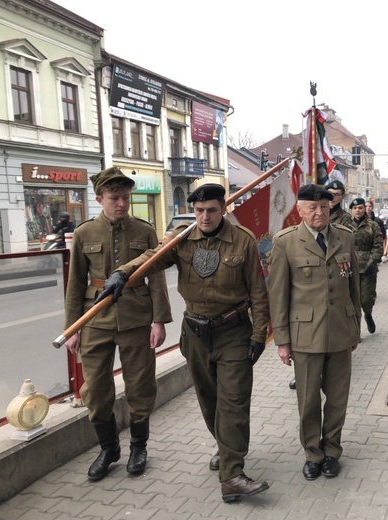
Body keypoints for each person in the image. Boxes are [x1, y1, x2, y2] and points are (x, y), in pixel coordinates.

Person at [95, 183, 271, 503]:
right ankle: (224, 447)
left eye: (211, 210)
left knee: (234, 402)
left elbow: (259, 292)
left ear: (224, 209)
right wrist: (123, 272)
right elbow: (152, 258)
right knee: (209, 401)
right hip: (195, 334)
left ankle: (232, 474)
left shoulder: (242, 241)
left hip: (233, 332)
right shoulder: (182, 237)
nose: (204, 217)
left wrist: (259, 335)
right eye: (199, 211)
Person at [63, 167, 172, 482]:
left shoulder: (144, 230)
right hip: (95, 319)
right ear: (100, 199)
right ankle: (108, 448)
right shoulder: (84, 233)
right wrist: (73, 328)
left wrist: (159, 320)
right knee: (95, 389)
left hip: (137, 318)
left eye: (126, 197)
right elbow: (74, 285)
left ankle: (139, 446)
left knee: (140, 385)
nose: (122, 204)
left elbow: (157, 279)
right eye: (115, 198)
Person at [269, 184, 361, 482]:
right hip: (305, 335)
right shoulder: (285, 242)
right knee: (308, 401)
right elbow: (278, 295)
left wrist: (354, 328)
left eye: (324, 206)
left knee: (337, 398)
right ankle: (312, 453)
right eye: (312, 207)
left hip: (339, 332)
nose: (319, 212)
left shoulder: (345, 237)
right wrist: (282, 341)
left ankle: (332, 450)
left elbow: (354, 289)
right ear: (300, 209)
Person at [349, 197, 383, 334]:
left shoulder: (372, 225)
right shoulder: (346, 226)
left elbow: (378, 246)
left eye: (360, 208)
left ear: (365, 209)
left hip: (368, 267)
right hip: (351, 267)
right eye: (355, 208)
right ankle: (356, 331)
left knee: (366, 299)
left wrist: (372, 261)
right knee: (353, 300)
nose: (358, 210)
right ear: (351, 210)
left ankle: (368, 314)